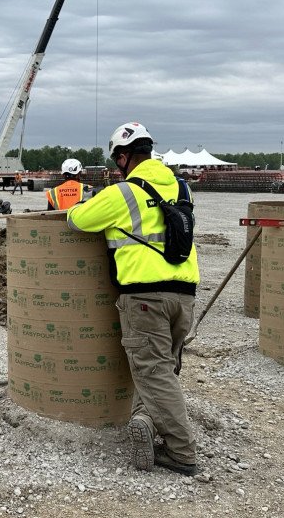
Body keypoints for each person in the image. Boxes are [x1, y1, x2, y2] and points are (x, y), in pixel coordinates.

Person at [66, 122, 200, 476]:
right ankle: (145, 420)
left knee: (152, 370)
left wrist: (93, 202)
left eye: (116, 161)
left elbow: (76, 220)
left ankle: (182, 450)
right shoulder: (182, 187)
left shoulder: (122, 193)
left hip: (144, 296)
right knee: (162, 368)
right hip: (184, 295)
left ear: (124, 157)